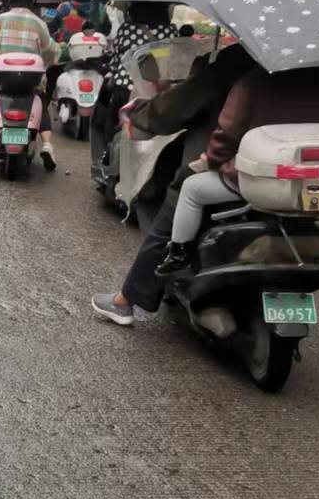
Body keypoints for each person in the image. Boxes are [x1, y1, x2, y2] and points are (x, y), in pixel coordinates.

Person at [90, 41, 257, 325]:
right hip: (294, 182)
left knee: (173, 209)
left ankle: (126, 300)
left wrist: (139, 114)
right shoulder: (305, 70)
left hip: (226, 169)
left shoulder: (233, 65)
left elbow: (174, 109)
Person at [155, 64, 319, 275]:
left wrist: (213, 160)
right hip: (316, 186)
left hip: (260, 183)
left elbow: (226, 136)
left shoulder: (255, 80)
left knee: (192, 188)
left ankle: (178, 254)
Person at [0, 0, 60, 171]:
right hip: (31, 83)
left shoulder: (0, 21)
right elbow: (52, 53)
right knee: (42, 106)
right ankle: (46, 144)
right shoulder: (39, 24)